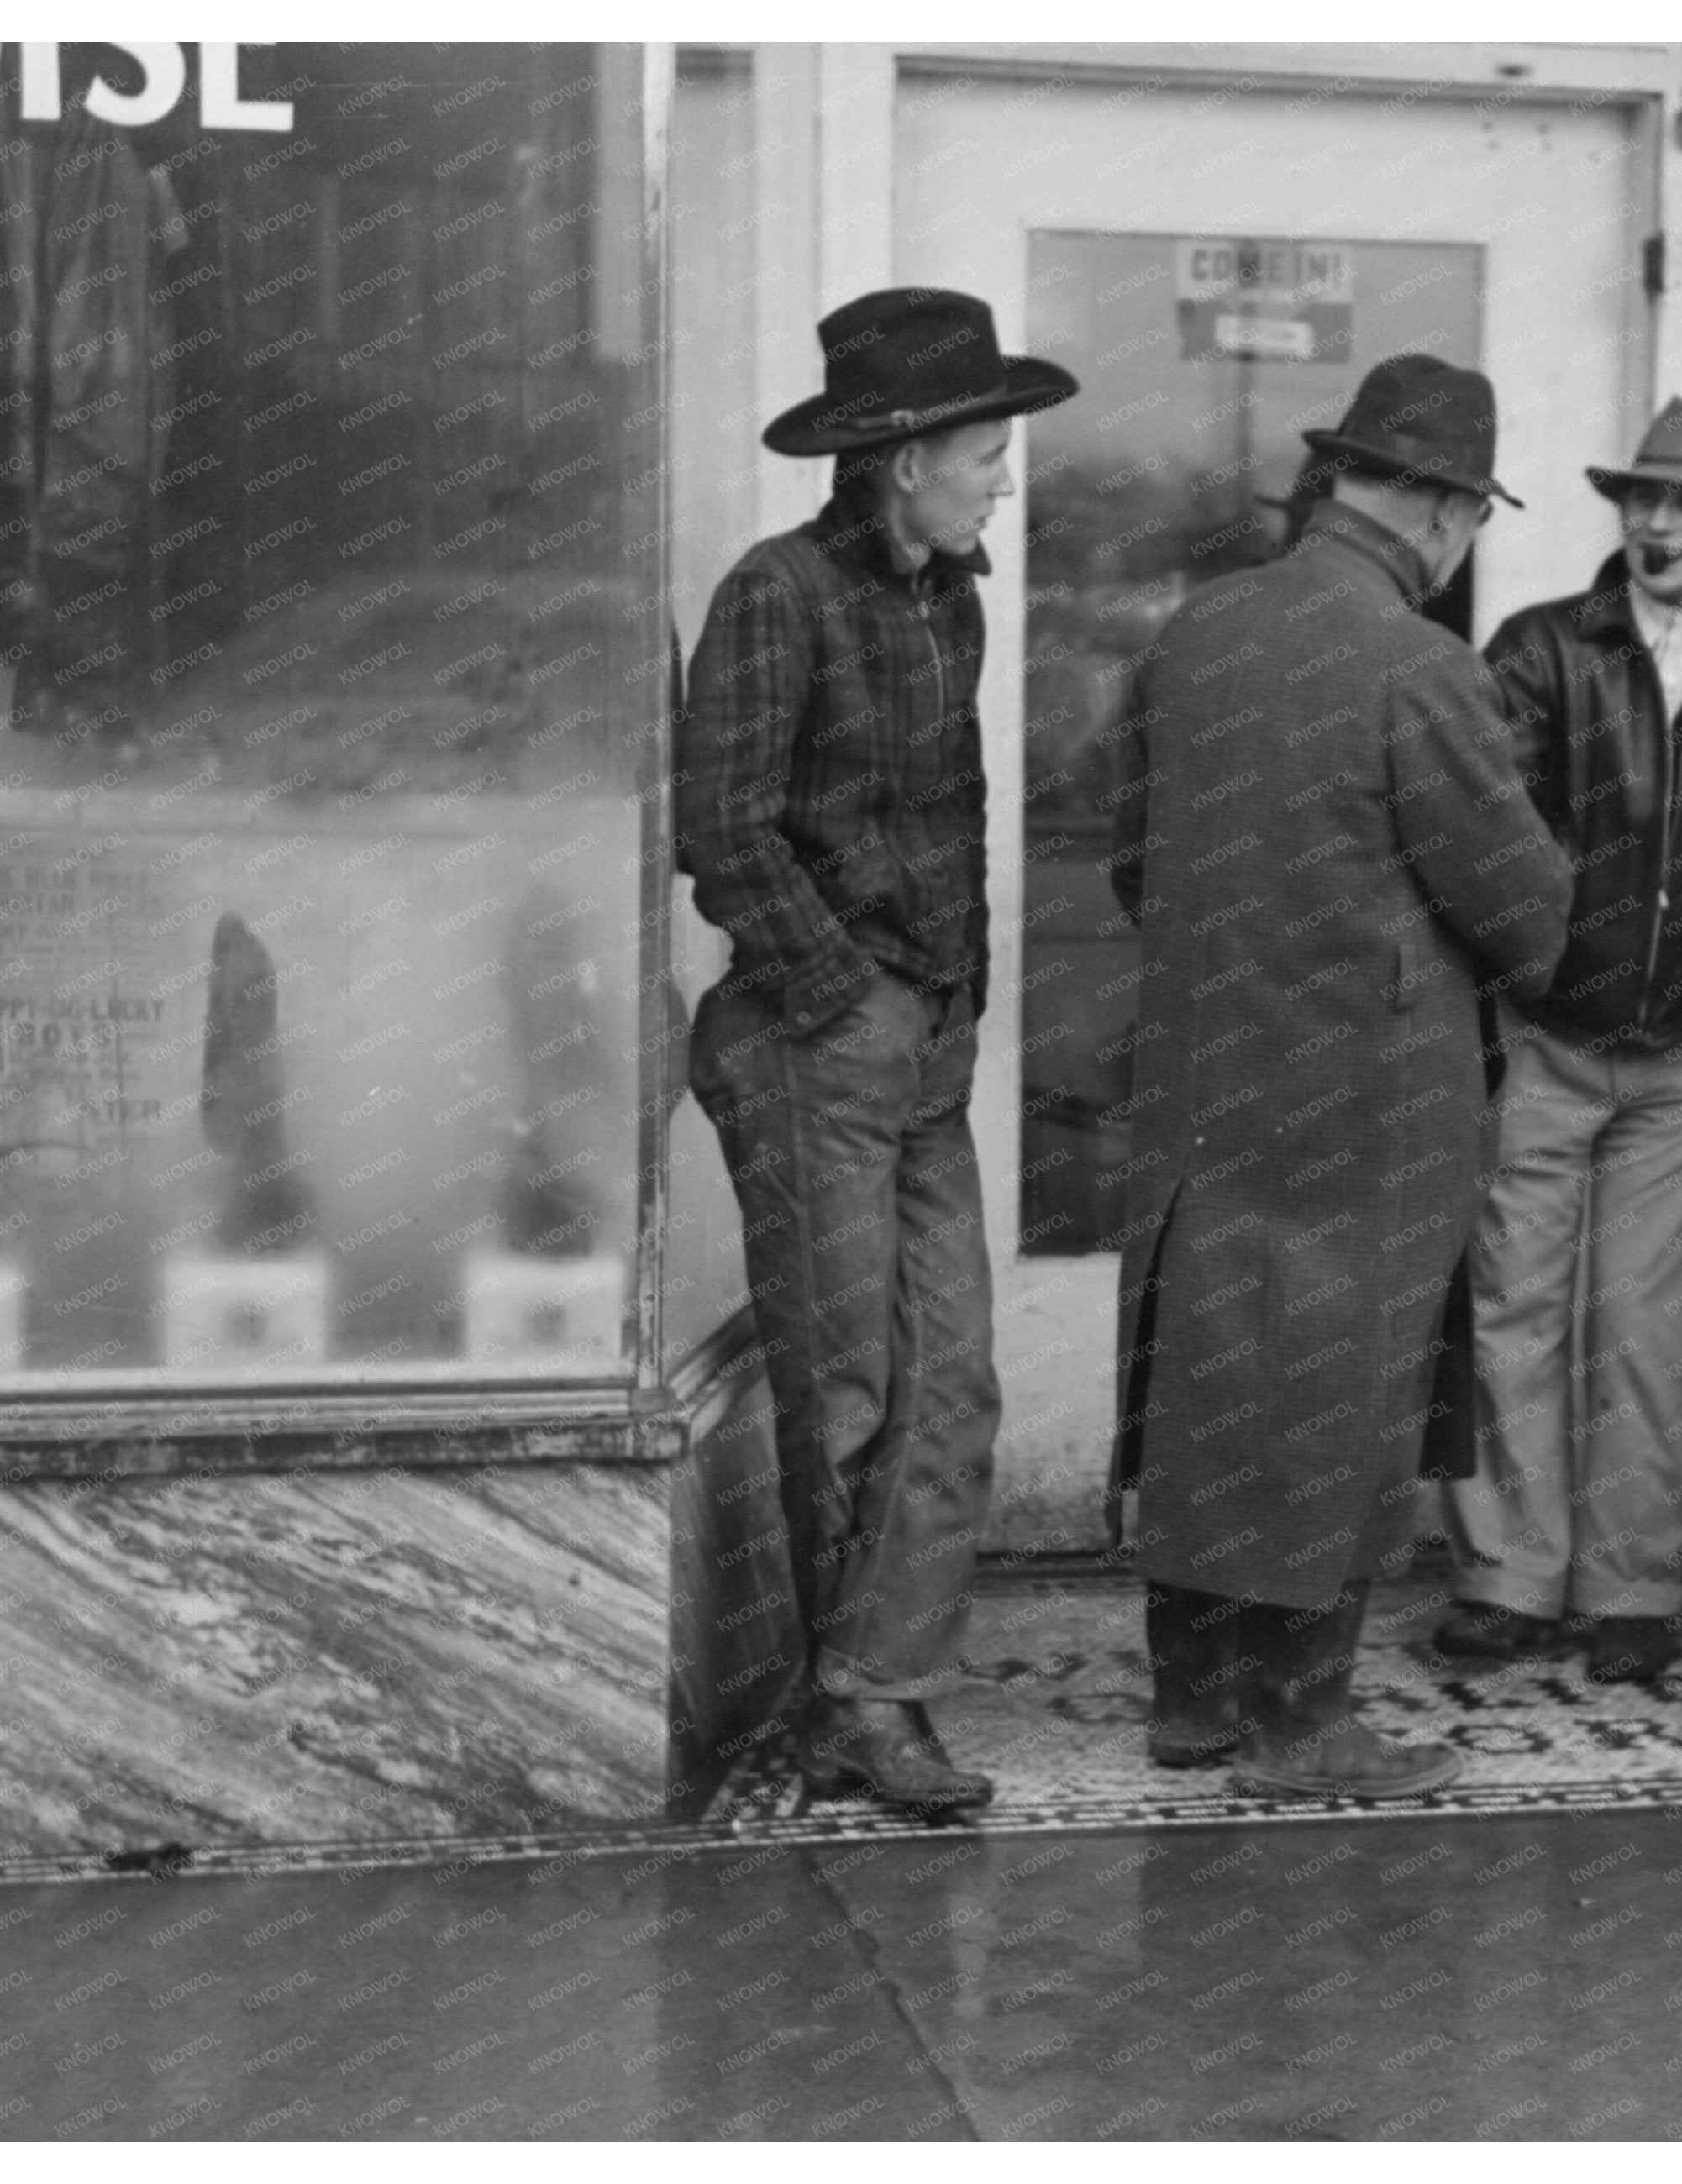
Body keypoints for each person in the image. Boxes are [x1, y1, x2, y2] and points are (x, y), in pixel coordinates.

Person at [1109, 355, 1574, 1801]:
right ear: (1441, 509)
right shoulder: (1419, 666)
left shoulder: (1198, 633)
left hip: (1205, 1076)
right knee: (1340, 1390)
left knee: (1204, 1367)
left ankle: (1192, 1699)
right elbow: (1528, 920)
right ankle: (1306, 1726)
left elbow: (1133, 862)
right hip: (1369, 1101)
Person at [675, 289, 1076, 1813]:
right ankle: (843, 1706)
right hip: (809, 1043)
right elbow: (723, 823)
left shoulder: (947, 597)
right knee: (845, 1387)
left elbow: (947, 825)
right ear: (902, 457)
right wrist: (840, 992)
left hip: (920, 1046)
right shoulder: (779, 593)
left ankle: (868, 1687)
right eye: (984, 448)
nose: (1003, 476)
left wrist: (950, 1005)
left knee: (954, 1380)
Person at [1437, 399, 1682, 1686]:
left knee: (1650, 1323)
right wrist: (1528, 983)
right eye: (1644, 500)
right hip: (1548, 1038)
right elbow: (1491, 837)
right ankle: (1507, 1578)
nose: (1661, 524)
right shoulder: (1543, 651)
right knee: (1517, 1306)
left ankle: (1634, 1589)